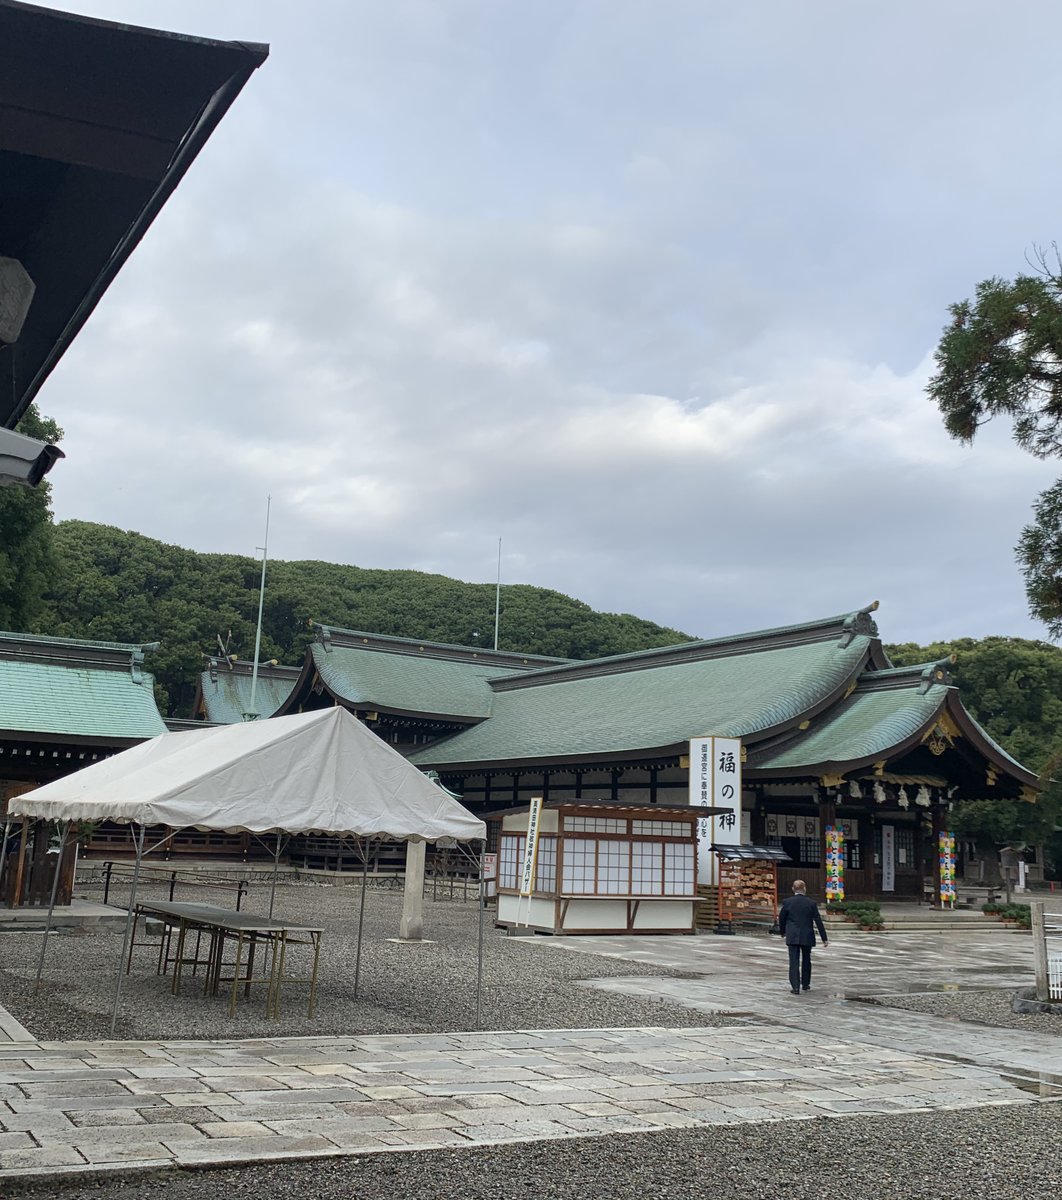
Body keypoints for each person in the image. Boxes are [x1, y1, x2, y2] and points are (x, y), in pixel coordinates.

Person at [777, 879, 827, 994]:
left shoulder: (787, 902)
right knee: (806, 960)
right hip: (807, 934)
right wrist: (824, 938)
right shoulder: (811, 903)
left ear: (793, 889)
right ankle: (805, 984)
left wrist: (782, 932)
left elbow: (782, 918)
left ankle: (795, 987)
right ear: (804, 889)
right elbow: (818, 920)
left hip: (793, 935)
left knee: (793, 961)